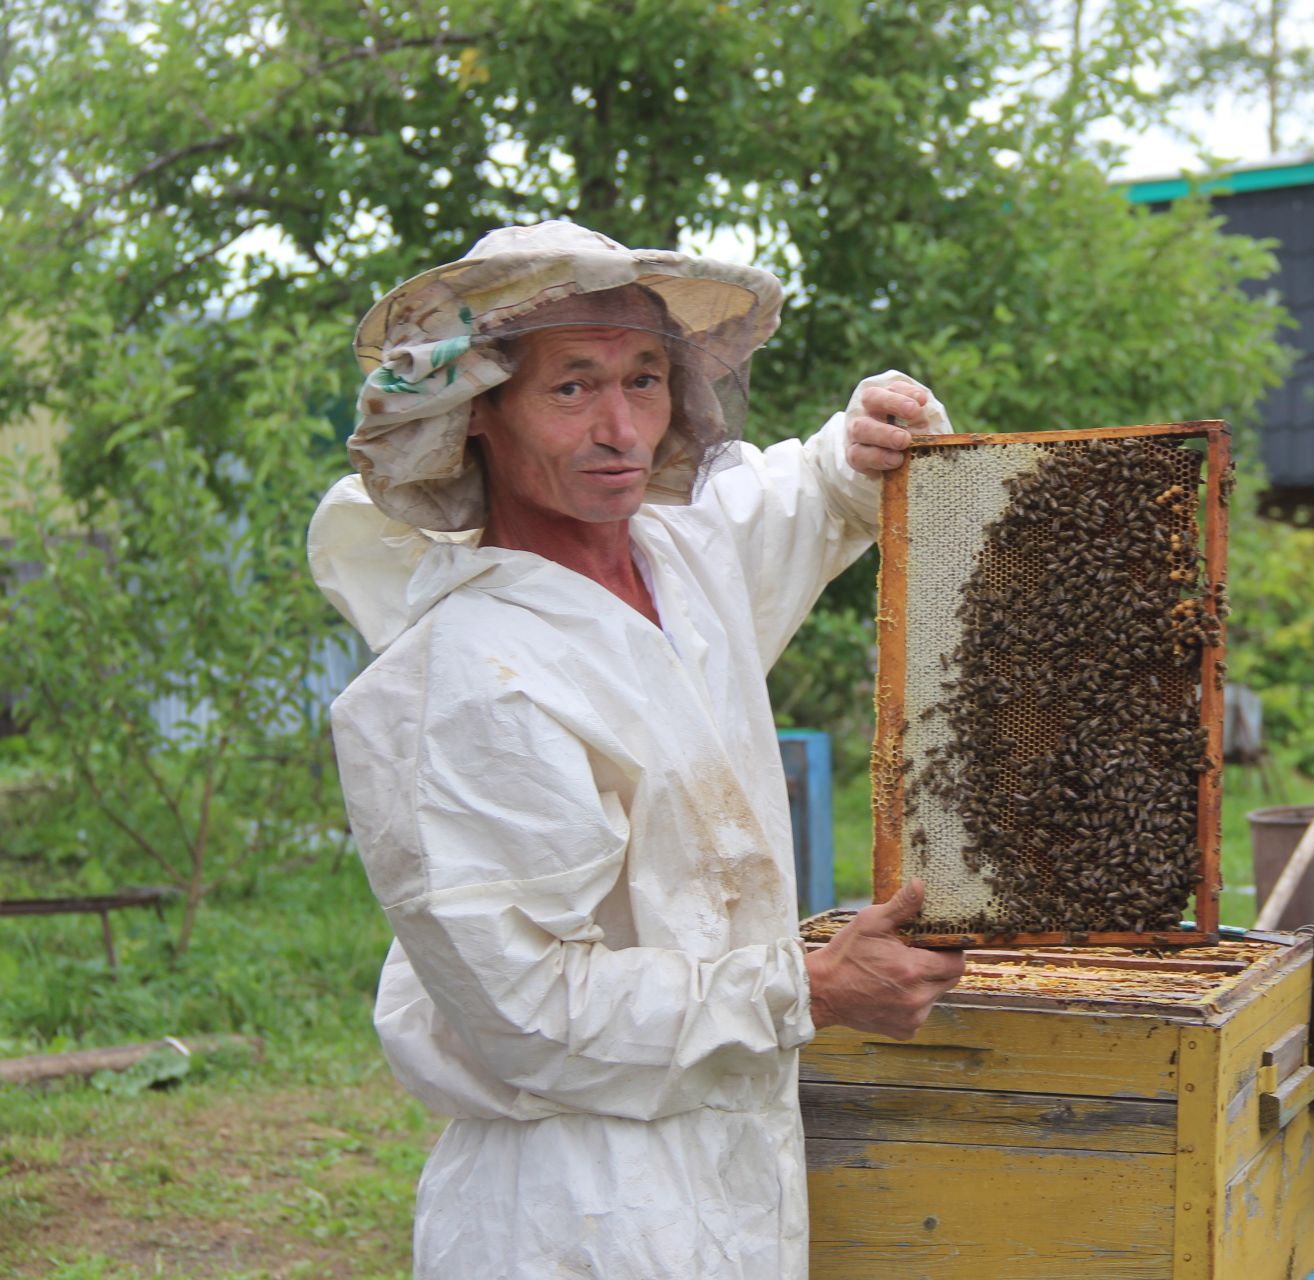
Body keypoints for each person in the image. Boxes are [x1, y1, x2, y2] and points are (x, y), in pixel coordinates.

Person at [309, 220, 966, 1279]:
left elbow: (791, 504)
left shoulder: (677, 559)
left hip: (733, 1174)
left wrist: (863, 448)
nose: (620, 426)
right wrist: (813, 989)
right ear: (480, 410)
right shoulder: (464, 683)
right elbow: (526, 1012)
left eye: (645, 379)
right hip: (571, 1209)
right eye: (572, 388)